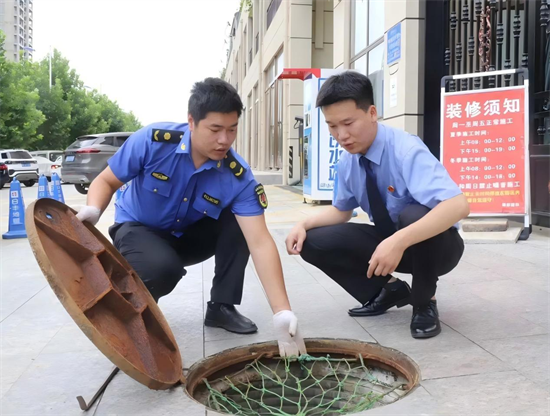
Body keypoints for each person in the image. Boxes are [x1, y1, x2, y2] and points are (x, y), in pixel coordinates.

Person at [76, 78, 306, 357]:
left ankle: (221, 307)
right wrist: (94, 209)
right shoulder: (153, 142)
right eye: (215, 129)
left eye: (232, 130)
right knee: (161, 268)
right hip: (139, 230)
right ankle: (133, 314)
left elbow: (260, 242)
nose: (224, 140)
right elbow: (106, 181)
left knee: (240, 223)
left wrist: (282, 312)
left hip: (189, 237)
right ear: (192, 122)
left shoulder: (238, 176)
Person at [285, 71, 469, 339]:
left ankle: (424, 302)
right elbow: (341, 210)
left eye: (348, 123)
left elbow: (458, 205)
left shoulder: (406, 150)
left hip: (438, 246)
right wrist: (302, 224)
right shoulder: (348, 162)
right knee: (313, 241)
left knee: (414, 213)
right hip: (390, 242)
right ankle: (387, 290)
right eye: (332, 126)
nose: (341, 135)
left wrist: (398, 241)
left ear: (372, 113)